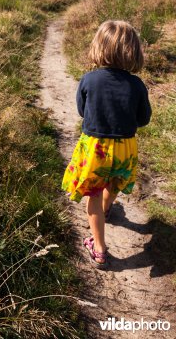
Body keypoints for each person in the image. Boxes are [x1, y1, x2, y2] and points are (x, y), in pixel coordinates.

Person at [62, 20, 151, 269]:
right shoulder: (137, 85)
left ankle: (99, 248)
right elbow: (143, 119)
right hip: (124, 148)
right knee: (113, 183)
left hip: (95, 149)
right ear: (133, 50)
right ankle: (107, 206)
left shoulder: (89, 80)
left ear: (99, 46)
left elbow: (82, 111)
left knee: (92, 194)